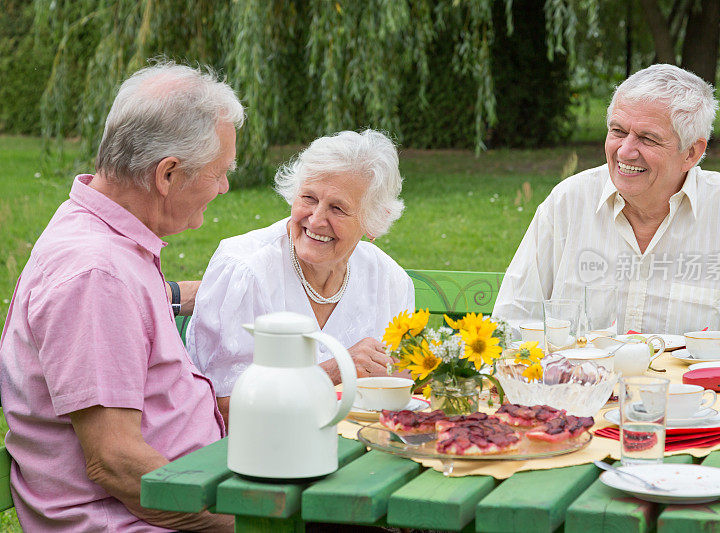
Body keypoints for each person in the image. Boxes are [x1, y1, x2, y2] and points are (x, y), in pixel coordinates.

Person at [492, 64, 720, 532]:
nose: (625, 151)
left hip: (698, 438)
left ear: (693, 152)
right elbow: (511, 326)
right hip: (576, 431)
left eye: (648, 139)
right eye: (618, 131)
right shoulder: (567, 203)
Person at [0, 62, 243, 531]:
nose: (224, 187)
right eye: (219, 173)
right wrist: (251, 521)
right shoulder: (97, 274)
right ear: (167, 174)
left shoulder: (106, 233)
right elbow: (117, 463)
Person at [187, 129, 414, 423]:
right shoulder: (245, 270)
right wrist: (337, 369)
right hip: (254, 454)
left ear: (373, 221)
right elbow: (223, 410)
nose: (317, 220)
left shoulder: (388, 281)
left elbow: (403, 388)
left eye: (337, 208)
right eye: (308, 198)